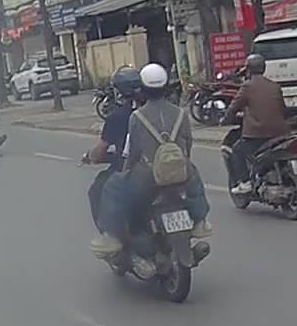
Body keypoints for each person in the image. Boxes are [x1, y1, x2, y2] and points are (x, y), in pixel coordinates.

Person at [92, 63, 213, 258]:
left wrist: (126, 172)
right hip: (180, 170)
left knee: (112, 186)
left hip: (149, 175)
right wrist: (182, 165)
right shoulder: (181, 113)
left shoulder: (137, 117)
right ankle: (200, 222)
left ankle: (112, 236)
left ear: (143, 88)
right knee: (194, 180)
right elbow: (188, 143)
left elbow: (133, 152)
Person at [223, 53, 289, 195]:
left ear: (249, 70)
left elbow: (234, 107)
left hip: (258, 134)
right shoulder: (274, 86)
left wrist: (225, 119)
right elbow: (283, 109)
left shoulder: (247, 86)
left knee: (237, 151)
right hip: (281, 133)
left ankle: (245, 182)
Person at [83, 67, 141, 230]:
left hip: (130, 170)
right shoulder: (156, 110)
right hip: (161, 165)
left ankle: (109, 235)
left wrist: (91, 156)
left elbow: (100, 151)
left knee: (97, 190)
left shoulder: (117, 117)